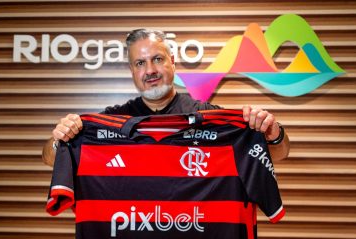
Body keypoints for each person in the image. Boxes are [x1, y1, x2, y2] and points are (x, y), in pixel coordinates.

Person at [42, 29, 290, 167]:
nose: (150, 70)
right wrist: (60, 139)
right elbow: (49, 159)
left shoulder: (207, 116)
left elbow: (279, 153)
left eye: (157, 59)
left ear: (172, 62)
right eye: (140, 63)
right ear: (133, 72)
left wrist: (273, 133)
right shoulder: (112, 121)